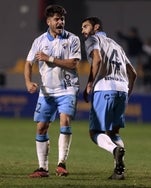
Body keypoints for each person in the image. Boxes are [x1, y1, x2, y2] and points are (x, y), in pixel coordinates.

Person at [24, 5, 81, 178]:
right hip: (46, 91)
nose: (60, 22)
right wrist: (28, 82)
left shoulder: (72, 39)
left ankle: (61, 164)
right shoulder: (39, 41)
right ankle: (42, 168)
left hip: (67, 88)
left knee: (65, 120)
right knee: (41, 127)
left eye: (62, 19)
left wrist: (49, 59)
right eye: (57, 19)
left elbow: (74, 64)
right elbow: (28, 63)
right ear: (48, 21)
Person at [81, 17, 137, 180]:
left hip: (104, 88)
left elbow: (97, 59)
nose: (83, 30)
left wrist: (90, 83)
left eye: (85, 26)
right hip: (122, 89)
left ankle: (114, 150)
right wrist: (127, 93)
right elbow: (133, 73)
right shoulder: (116, 45)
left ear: (96, 27)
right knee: (113, 131)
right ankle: (119, 171)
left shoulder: (93, 39)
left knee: (95, 132)